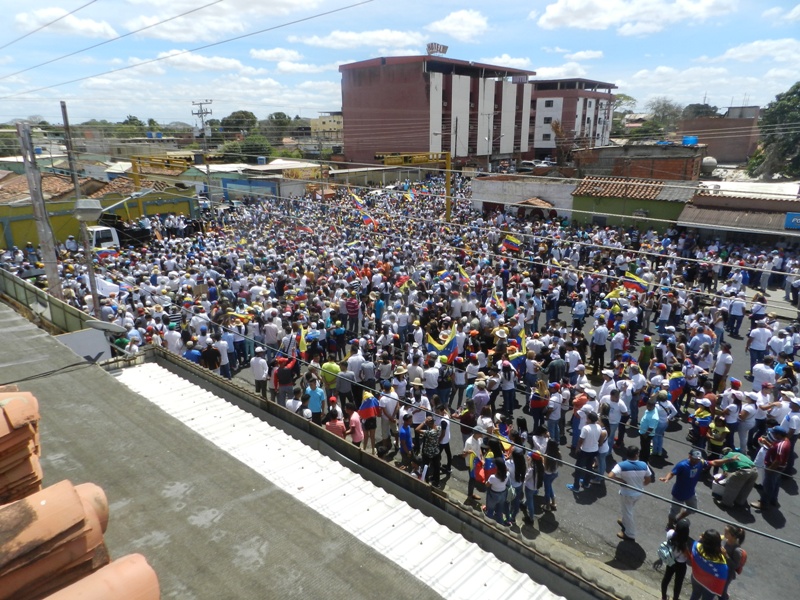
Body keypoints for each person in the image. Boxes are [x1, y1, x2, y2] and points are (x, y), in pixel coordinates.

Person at [607, 446, 654, 542]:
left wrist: (621, 480)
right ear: (636, 454)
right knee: (628, 509)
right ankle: (624, 521)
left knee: (628, 512)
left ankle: (630, 534)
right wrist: (641, 484)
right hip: (639, 492)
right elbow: (648, 479)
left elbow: (610, 476)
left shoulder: (621, 465)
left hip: (627, 493)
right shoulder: (644, 465)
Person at [660, 449, 709, 528]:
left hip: (690, 493)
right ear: (689, 456)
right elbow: (672, 473)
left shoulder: (700, 462)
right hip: (678, 493)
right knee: (674, 512)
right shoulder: (682, 465)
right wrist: (667, 478)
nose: (696, 461)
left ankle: (678, 519)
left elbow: (713, 462)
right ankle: (670, 524)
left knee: (693, 509)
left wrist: (728, 460)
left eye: (698, 459)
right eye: (694, 459)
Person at [750, 425, 790, 511]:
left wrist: (769, 469)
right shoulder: (785, 441)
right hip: (779, 468)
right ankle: (773, 500)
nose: (773, 434)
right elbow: (775, 450)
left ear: (779, 435)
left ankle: (764, 503)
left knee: (768, 486)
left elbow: (778, 460)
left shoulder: (780, 445)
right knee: (775, 485)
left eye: (774, 433)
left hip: (774, 468)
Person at [567, 411, 605, 493]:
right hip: (594, 450)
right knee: (589, 467)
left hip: (585, 451)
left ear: (590, 419)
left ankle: (576, 487)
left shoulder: (586, 428)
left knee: (578, 468)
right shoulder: (598, 426)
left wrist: (577, 448)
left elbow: (581, 440)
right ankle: (586, 483)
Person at [688, 529, 728, 600]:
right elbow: (723, 574)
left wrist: (701, 539)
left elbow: (697, 542)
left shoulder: (695, 547)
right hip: (709, 587)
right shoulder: (721, 562)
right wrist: (725, 555)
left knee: (695, 595)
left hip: (696, 578)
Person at [660, 518, 692, 600]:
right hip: (681, 565)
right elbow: (689, 558)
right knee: (678, 583)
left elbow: (670, 531)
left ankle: (664, 596)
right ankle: (675, 598)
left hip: (671, 561)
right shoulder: (684, 545)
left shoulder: (670, 534)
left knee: (666, 578)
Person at [720, 525, 746, 600]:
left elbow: (735, 565)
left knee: (722, 591)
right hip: (721, 568)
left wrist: (726, 555)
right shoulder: (724, 541)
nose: (724, 534)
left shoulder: (737, 550)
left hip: (728, 573)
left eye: (727, 533)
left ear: (733, 536)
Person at [462, 425, 485, 501]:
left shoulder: (479, 439)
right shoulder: (469, 442)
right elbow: (463, 455)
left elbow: (479, 449)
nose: (482, 434)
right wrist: (468, 452)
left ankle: (471, 494)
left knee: (475, 478)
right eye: (481, 433)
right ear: (477, 433)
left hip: (478, 461)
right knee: (472, 479)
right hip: (471, 464)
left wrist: (482, 458)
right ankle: (470, 496)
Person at [484, 459, 509, 525]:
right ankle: (500, 523)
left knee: (490, 510)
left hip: (494, 494)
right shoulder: (507, 475)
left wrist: (486, 481)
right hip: (503, 494)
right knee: (499, 511)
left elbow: (487, 484)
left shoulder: (492, 477)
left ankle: (488, 523)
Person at [542, 439, 560, 511]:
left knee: (547, 490)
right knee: (549, 487)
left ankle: (547, 506)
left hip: (547, 474)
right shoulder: (558, 453)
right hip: (555, 473)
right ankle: (553, 502)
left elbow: (545, 467)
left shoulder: (547, 455)